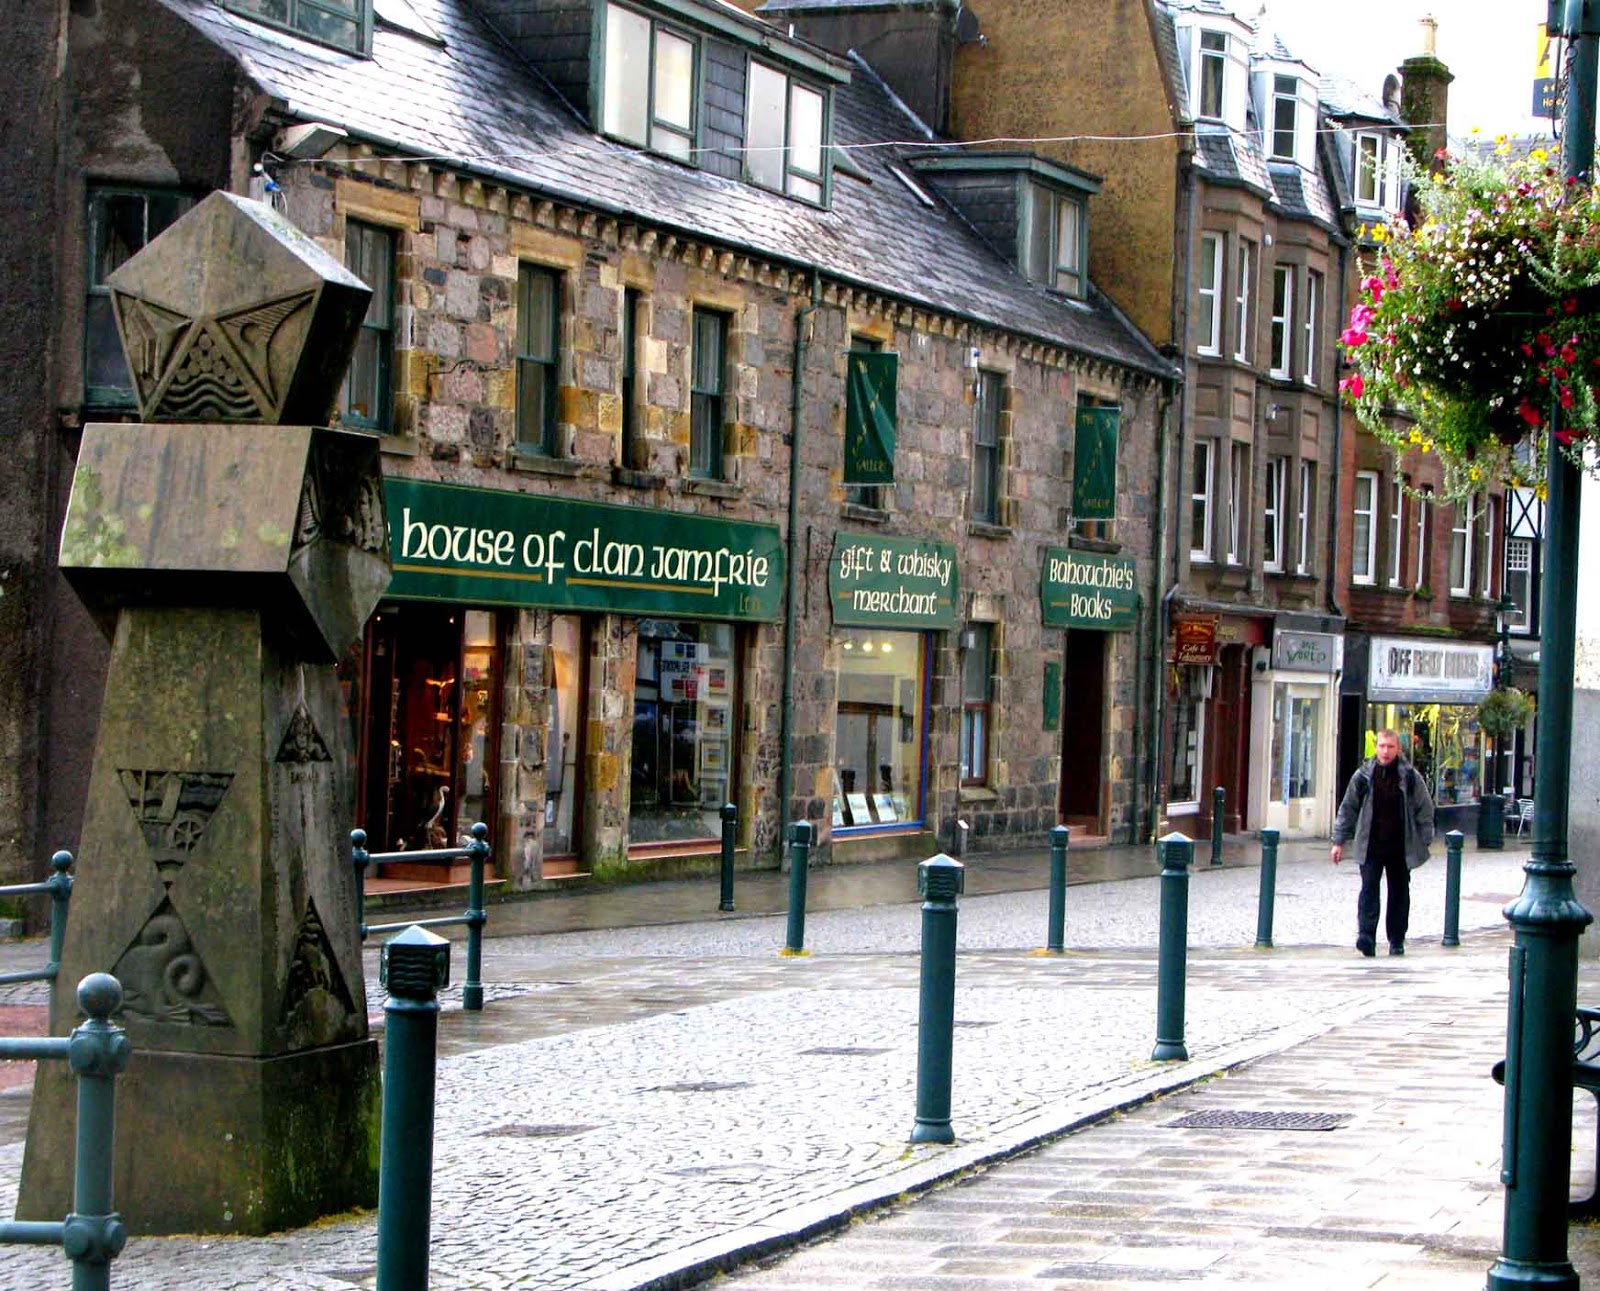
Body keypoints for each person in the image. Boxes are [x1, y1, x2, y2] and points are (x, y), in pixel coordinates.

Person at [1331, 728, 1435, 957]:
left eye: (1390, 747)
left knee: (1399, 893)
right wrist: (1338, 840)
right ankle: (1366, 937)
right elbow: (1348, 808)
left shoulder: (1409, 777)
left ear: (1398, 749)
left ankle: (1396, 939)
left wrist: (1424, 840)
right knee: (1369, 890)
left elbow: (1424, 809)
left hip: (1400, 845)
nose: (1385, 751)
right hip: (1370, 844)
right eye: (1381, 746)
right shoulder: (1363, 776)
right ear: (1376, 747)